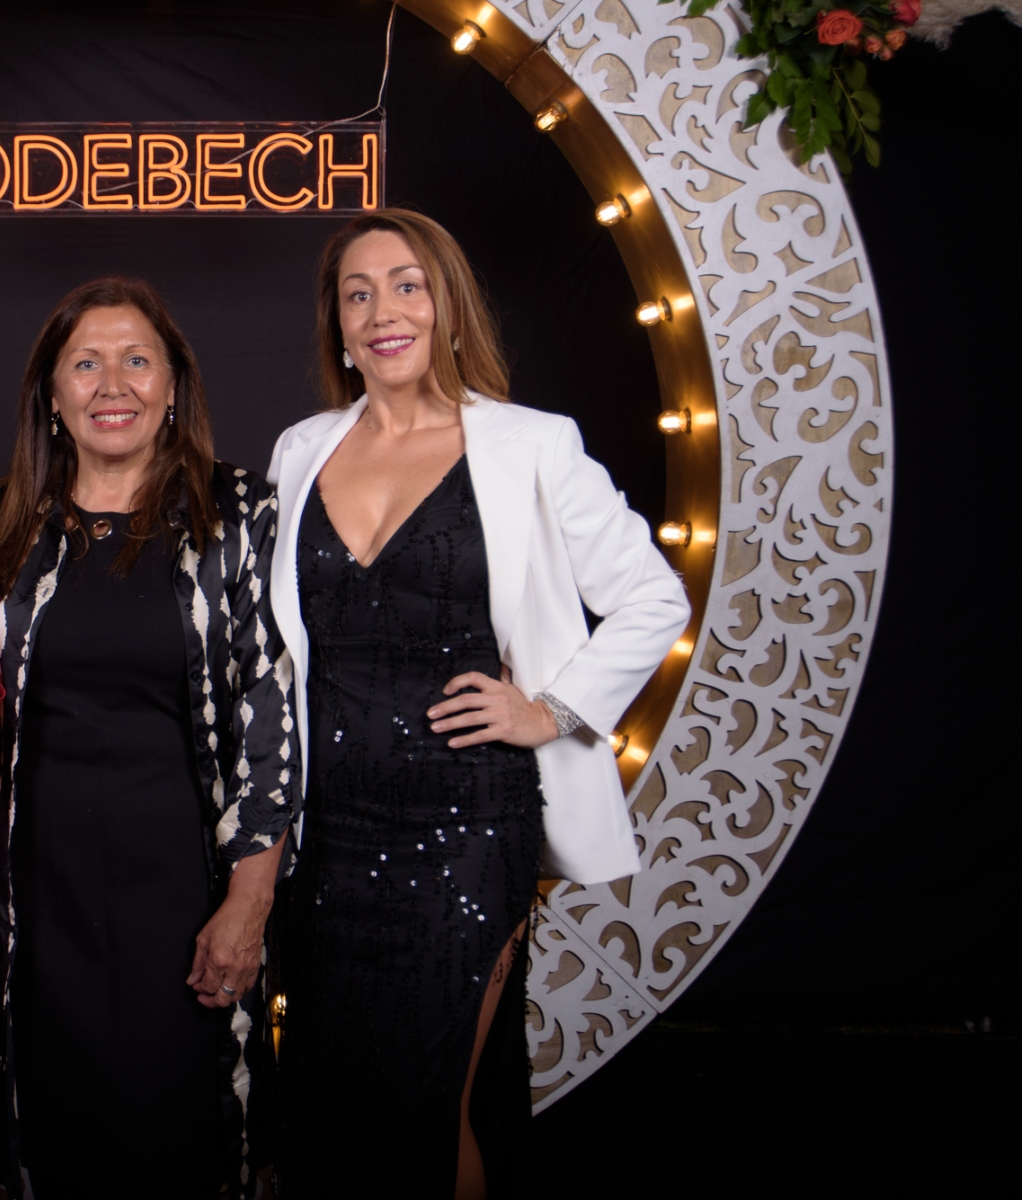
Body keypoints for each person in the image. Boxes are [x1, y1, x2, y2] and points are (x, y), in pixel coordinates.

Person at [265, 210, 690, 1198]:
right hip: (326, 834)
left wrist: (552, 709)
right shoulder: (299, 450)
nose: (383, 311)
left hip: (465, 824)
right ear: (338, 325)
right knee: (333, 1100)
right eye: (358, 293)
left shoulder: (531, 445)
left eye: (406, 285)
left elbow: (653, 596)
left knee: (428, 1101)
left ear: (448, 307)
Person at [0, 277, 299, 1199]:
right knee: (56, 1136)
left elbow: (272, 715)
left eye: (137, 360)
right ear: (52, 395)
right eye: (86, 363)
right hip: (38, 901)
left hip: (187, 896)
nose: (113, 383)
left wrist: (248, 903)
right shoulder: (0, 520)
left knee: (181, 1135)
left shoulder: (239, 513)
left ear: (173, 386)